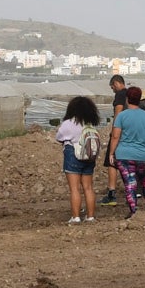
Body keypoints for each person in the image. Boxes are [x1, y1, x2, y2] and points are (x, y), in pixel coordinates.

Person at [110, 83, 145, 215]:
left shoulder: (122, 116)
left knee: (130, 182)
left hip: (125, 155)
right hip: (144, 155)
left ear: (127, 99)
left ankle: (133, 209)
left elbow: (115, 136)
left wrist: (111, 152)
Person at [56, 95, 102, 224]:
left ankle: (76, 217)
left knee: (74, 188)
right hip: (89, 156)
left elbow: (59, 137)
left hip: (73, 154)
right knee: (88, 187)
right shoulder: (90, 123)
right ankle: (90, 216)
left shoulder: (69, 123)